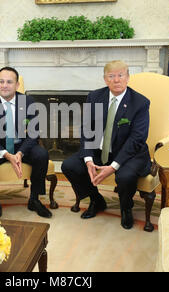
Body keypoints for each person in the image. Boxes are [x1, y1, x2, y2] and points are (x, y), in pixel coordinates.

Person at [61, 60, 151, 230]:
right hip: (100, 150)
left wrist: (114, 166)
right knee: (70, 165)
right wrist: (88, 159)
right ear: (105, 79)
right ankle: (96, 199)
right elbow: (86, 128)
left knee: (124, 176)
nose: (116, 80)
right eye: (111, 76)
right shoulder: (95, 97)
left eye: (120, 75)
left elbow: (137, 139)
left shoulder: (140, 103)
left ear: (128, 77)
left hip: (130, 154)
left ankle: (126, 207)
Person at [0, 67, 52, 219]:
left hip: (20, 145)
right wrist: (6, 154)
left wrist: (19, 153)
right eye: (1, 81)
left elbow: (33, 133)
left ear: (17, 85)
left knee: (41, 154)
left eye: (9, 82)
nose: (4, 85)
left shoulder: (28, 101)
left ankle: (34, 199)